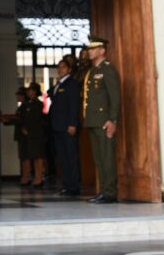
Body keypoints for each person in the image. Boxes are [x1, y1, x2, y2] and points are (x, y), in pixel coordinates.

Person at [82, 36, 120, 204]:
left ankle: (110, 192)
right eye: (89, 49)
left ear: (102, 51)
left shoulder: (107, 70)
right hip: (93, 121)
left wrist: (113, 120)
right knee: (99, 158)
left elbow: (115, 97)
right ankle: (103, 190)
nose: (89, 52)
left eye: (93, 49)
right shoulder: (92, 71)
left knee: (107, 158)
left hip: (104, 121)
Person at [48, 55, 82, 197]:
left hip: (68, 126)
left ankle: (74, 186)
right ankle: (67, 185)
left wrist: (72, 124)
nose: (60, 69)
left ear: (69, 69)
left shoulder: (71, 84)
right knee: (62, 157)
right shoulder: (59, 85)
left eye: (63, 67)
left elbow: (74, 106)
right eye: (58, 67)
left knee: (71, 156)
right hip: (58, 126)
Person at [20, 82, 48, 188]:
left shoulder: (38, 103)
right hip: (31, 134)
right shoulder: (29, 104)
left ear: (35, 92)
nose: (28, 92)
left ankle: (39, 177)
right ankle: (36, 177)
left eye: (31, 90)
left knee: (38, 156)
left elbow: (35, 118)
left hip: (36, 133)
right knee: (34, 156)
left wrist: (27, 128)